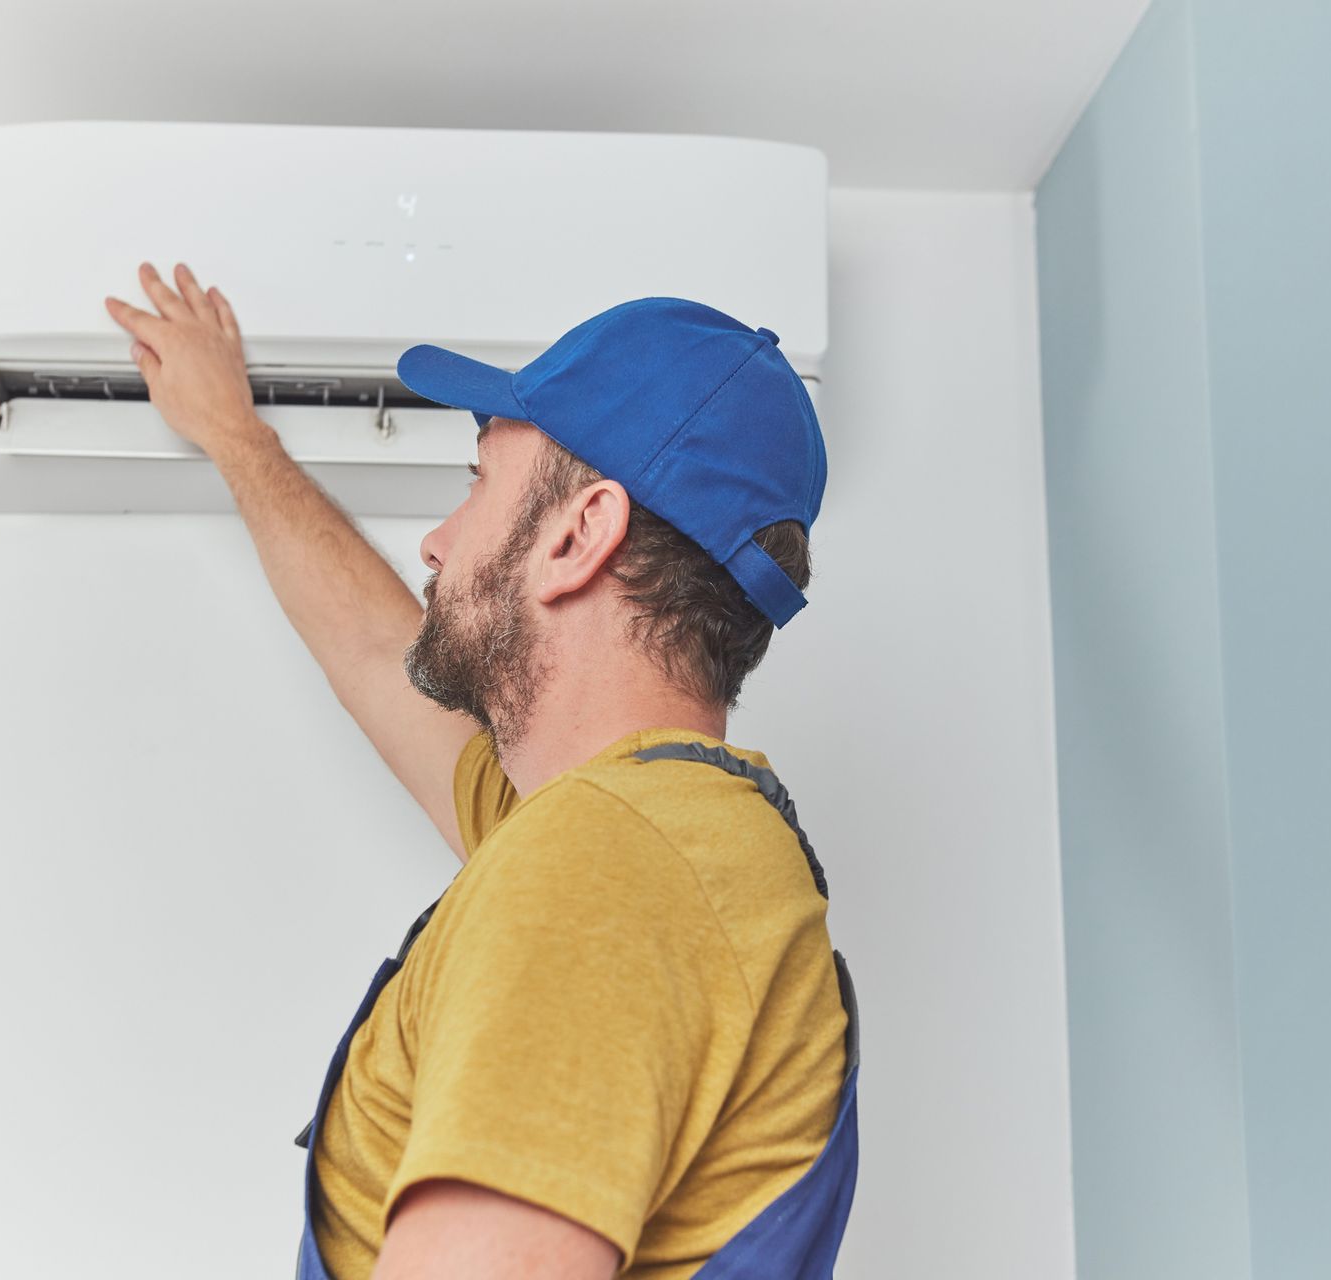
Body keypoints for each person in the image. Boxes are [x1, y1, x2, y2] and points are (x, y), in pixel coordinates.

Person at [103, 262, 858, 1279]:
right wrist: (238, 437)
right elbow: (378, 651)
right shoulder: (665, 837)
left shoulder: (603, 873)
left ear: (580, 532)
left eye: (479, 483)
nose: (437, 540)